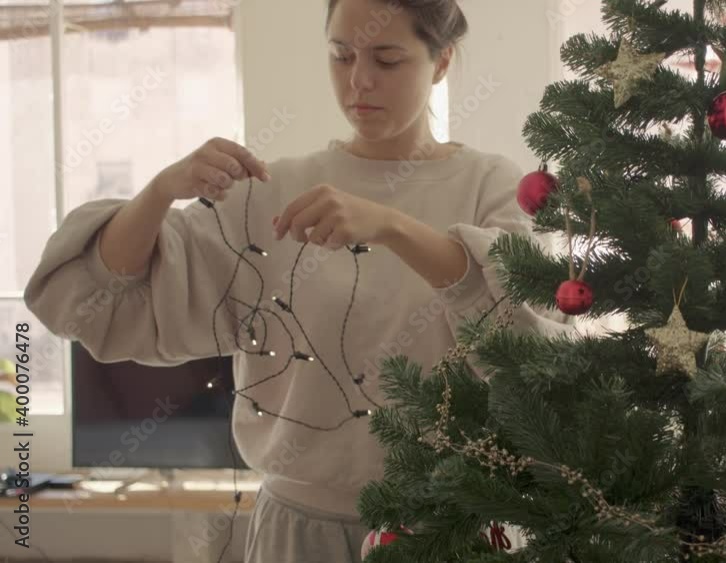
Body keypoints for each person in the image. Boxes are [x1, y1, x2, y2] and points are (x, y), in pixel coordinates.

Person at [24, 0, 574, 561]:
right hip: (298, 534)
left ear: (442, 61)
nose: (359, 81)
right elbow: (95, 301)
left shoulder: (491, 186)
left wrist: (395, 227)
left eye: (387, 59)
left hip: (451, 532)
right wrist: (161, 190)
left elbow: (529, 351)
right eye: (341, 56)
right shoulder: (274, 192)